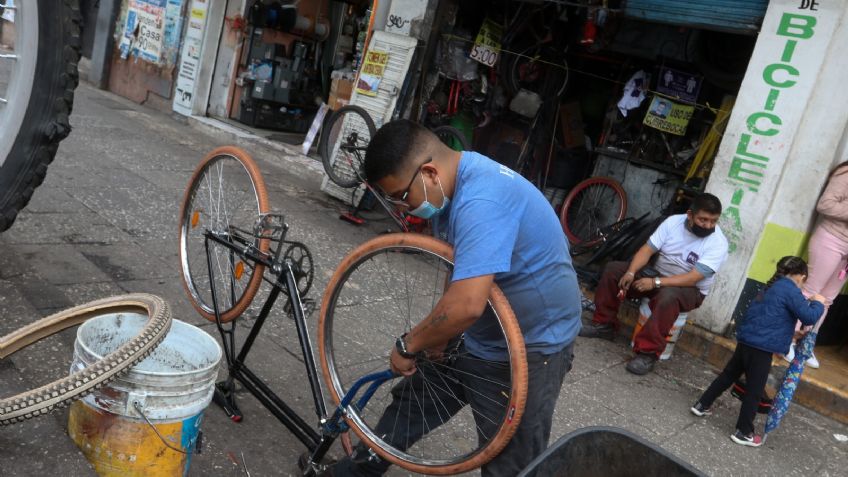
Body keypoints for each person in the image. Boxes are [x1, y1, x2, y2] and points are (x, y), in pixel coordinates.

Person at [329, 120, 582, 476]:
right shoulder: (450, 190)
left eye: (402, 197)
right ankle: (356, 470)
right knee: (410, 406)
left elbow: (466, 305)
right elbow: (459, 267)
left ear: (429, 173)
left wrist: (408, 344)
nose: (402, 209)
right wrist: (442, 334)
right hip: (477, 331)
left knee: (510, 460)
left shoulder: (482, 199)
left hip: (532, 347)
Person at [580, 193, 729, 375]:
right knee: (613, 270)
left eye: (713, 221)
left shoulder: (718, 243)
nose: (708, 226)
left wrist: (656, 282)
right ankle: (604, 325)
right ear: (690, 215)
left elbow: (693, 278)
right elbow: (647, 250)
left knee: (668, 297)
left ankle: (647, 353)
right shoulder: (673, 222)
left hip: (689, 290)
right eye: (703, 220)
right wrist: (631, 272)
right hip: (657, 276)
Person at [690, 256, 825, 447]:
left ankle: (701, 404)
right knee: (754, 390)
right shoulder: (790, 289)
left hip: (748, 340)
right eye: (804, 281)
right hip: (761, 349)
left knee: (727, 376)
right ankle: (744, 432)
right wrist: (818, 302)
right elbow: (809, 317)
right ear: (801, 276)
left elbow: (770, 318)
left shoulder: (772, 286)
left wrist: (791, 335)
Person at [784, 161, 848, 368]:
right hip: (831, 239)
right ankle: (787, 340)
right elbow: (826, 204)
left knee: (827, 300)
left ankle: (806, 344)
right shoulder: (845, 172)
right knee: (809, 292)